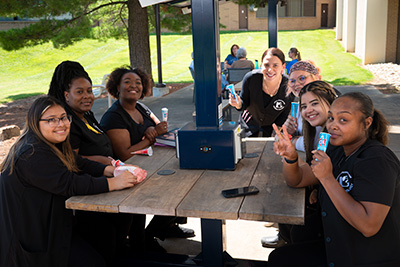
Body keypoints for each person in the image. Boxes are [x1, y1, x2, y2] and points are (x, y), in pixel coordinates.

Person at [0, 96, 136, 267]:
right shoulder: (31, 153)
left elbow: (78, 162)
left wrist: (110, 170)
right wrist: (113, 183)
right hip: (32, 240)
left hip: (55, 223)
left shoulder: (51, 143)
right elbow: (69, 184)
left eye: (64, 117)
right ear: (36, 123)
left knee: (107, 231)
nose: (61, 124)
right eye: (51, 120)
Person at [269, 92, 400, 266]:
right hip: (338, 247)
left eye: (343, 120)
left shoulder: (377, 160)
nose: (333, 126)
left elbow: (369, 226)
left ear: (366, 123)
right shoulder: (337, 150)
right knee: (280, 256)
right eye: (331, 118)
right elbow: (298, 180)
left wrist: (327, 179)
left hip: (367, 258)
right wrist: (290, 157)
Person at [48, 61, 146, 262]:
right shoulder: (68, 122)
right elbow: (72, 160)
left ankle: (135, 248)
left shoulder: (86, 115)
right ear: (66, 94)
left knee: (133, 213)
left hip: (107, 176)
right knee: (107, 237)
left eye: (89, 91)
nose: (87, 96)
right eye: (79, 91)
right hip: (92, 190)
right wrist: (104, 164)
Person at [101, 66, 195, 250]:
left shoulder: (141, 108)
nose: (133, 86)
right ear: (117, 87)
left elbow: (159, 127)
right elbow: (126, 154)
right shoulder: (114, 117)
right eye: (127, 82)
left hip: (151, 163)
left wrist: (153, 130)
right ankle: (144, 239)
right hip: (128, 172)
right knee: (175, 189)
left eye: (138, 83)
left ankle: (161, 228)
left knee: (185, 181)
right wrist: (150, 137)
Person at [229, 47, 294, 137]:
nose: (270, 70)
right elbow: (243, 104)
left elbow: (284, 113)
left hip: (272, 130)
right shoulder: (251, 79)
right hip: (248, 127)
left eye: (275, 65)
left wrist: (276, 133)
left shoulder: (288, 85)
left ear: (283, 67)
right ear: (261, 65)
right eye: (266, 65)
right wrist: (237, 104)